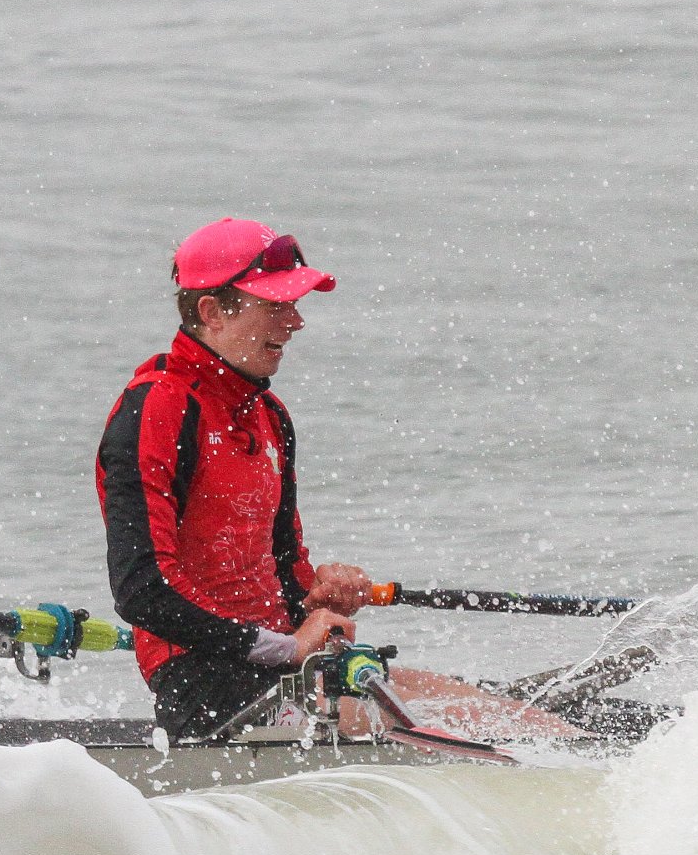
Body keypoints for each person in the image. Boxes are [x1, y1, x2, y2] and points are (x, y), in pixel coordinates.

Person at [95, 218, 579, 742]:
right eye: (276, 305)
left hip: (286, 670)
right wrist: (286, 647)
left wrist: (318, 596)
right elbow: (142, 591)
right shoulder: (157, 411)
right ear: (212, 312)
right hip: (207, 688)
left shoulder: (269, 415)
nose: (296, 321)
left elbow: (282, 570)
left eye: (295, 304)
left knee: (518, 721)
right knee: (472, 730)